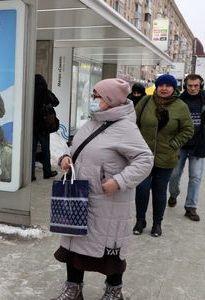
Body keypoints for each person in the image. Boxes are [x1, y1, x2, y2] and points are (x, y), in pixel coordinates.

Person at [51, 78, 154, 300]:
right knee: (74, 246)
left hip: (109, 203)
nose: (93, 100)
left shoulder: (126, 127)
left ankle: (114, 291)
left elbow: (145, 159)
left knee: (110, 253)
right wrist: (65, 158)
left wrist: (120, 181)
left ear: (110, 100)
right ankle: (73, 288)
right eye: (93, 95)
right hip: (80, 197)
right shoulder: (92, 122)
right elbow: (76, 149)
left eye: (97, 96)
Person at [133, 74, 194, 237]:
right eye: (161, 85)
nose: (164, 88)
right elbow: (132, 122)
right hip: (143, 156)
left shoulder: (181, 106)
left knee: (160, 192)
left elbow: (188, 129)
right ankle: (140, 220)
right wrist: (136, 143)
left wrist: (173, 144)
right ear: (157, 87)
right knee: (142, 190)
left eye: (168, 85)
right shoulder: (145, 102)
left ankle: (157, 223)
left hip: (166, 157)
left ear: (174, 88)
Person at [168, 74, 205, 221]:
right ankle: (173, 194)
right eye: (190, 85)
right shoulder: (178, 101)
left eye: (196, 85)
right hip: (180, 145)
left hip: (199, 145)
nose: (193, 88)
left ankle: (191, 207)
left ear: (201, 85)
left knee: (195, 177)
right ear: (185, 86)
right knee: (174, 174)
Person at [32, 74, 59, 180]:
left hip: (32, 126)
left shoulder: (30, 93)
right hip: (44, 126)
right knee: (45, 150)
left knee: (32, 151)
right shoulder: (45, 93)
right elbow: (56, 102)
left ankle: (31, 175)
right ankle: (47, 172)